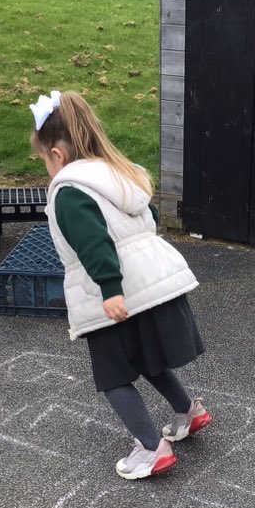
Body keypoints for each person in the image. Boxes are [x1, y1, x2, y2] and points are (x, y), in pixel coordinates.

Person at [30, 90, 211, 480]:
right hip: (153, 282)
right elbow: (143, 224)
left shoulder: (69, 190)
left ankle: (150, 448)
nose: (45, 166)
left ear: (57, 155)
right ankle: (187, 412)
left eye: (43, 159)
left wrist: (110, 288)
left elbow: (93, 242)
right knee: (150, 358)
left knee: (113, 376)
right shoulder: (118, 171)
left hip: (116, 294)